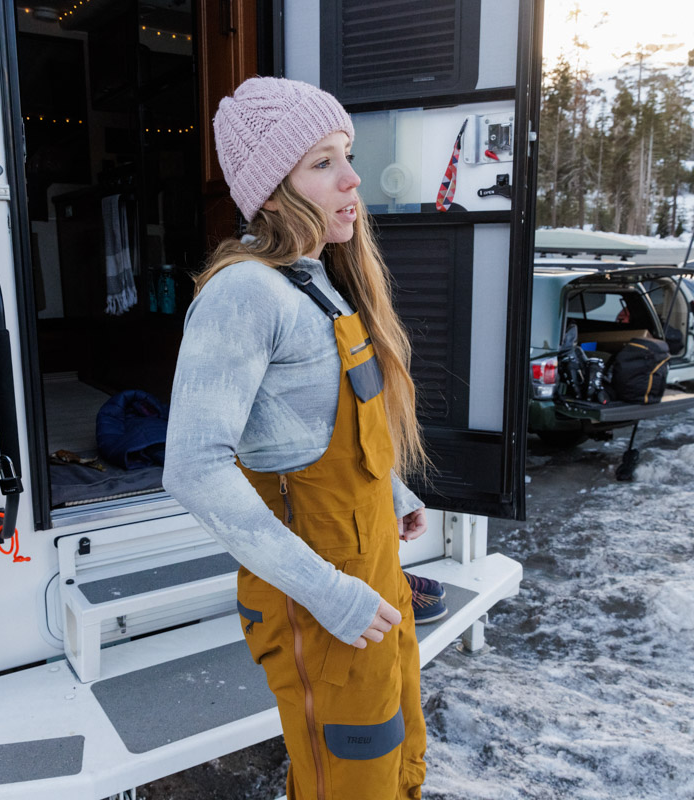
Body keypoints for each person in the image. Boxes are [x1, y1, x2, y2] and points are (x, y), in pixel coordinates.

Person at [162, 77, 431, 799]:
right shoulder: (243, 294)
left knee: (391, 756)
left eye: (345, 154)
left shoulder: (318, 283)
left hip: (374, 577)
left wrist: (392, 488)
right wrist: (329, 593)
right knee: (344, 779)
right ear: (272, 192)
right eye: (322, 162)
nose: (352, 178)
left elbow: (309, 424)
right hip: (323, 603)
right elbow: (193, 469)